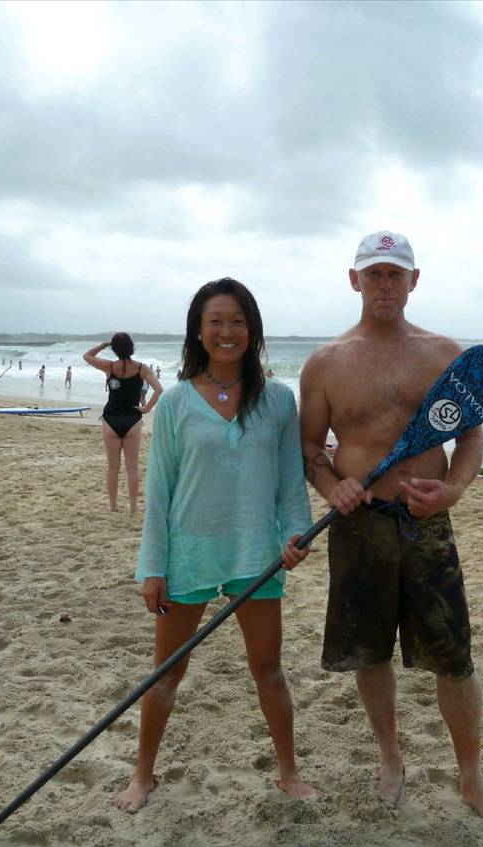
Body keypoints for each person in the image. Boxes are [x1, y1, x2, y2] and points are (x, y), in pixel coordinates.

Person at [298, 231, 483, 822]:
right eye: (374, 274)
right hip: (359, 526)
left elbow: (470, 433)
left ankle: (472, 779)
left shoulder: (444, 353)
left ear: (414, 281)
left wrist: (454, 488)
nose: (385, 285)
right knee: (370, 655)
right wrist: (330, 485)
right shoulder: (326, 363)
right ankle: (391, 758)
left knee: (454, 658)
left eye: (396, 274)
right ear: (354, 280)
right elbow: (311, 449)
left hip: (428, 526)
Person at [121, 278, 315, 812]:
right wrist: (152, 567)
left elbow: (289, 482)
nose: (227, 332)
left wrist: (296, 535)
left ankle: (289, 773)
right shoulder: (178, 402)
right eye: (216, 321)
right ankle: (143, 776)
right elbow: (159, 493)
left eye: (237, 321)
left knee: (269, 669)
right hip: (188, 554)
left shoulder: (277, 400)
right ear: (199, 332)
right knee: (166, 673)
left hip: (257, 551)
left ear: (252, 331)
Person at [83, 334, 163, 514]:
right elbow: (159, 389)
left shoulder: (109, 366)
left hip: (110, 419)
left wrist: (104, 345)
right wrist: (147, 408)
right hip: (133, 419)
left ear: (115, 349)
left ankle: (113, 506)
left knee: (113, 466)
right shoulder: (142, 368)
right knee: (132, 466)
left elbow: (87, 356)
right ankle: (134, 506)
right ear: (131, 347)